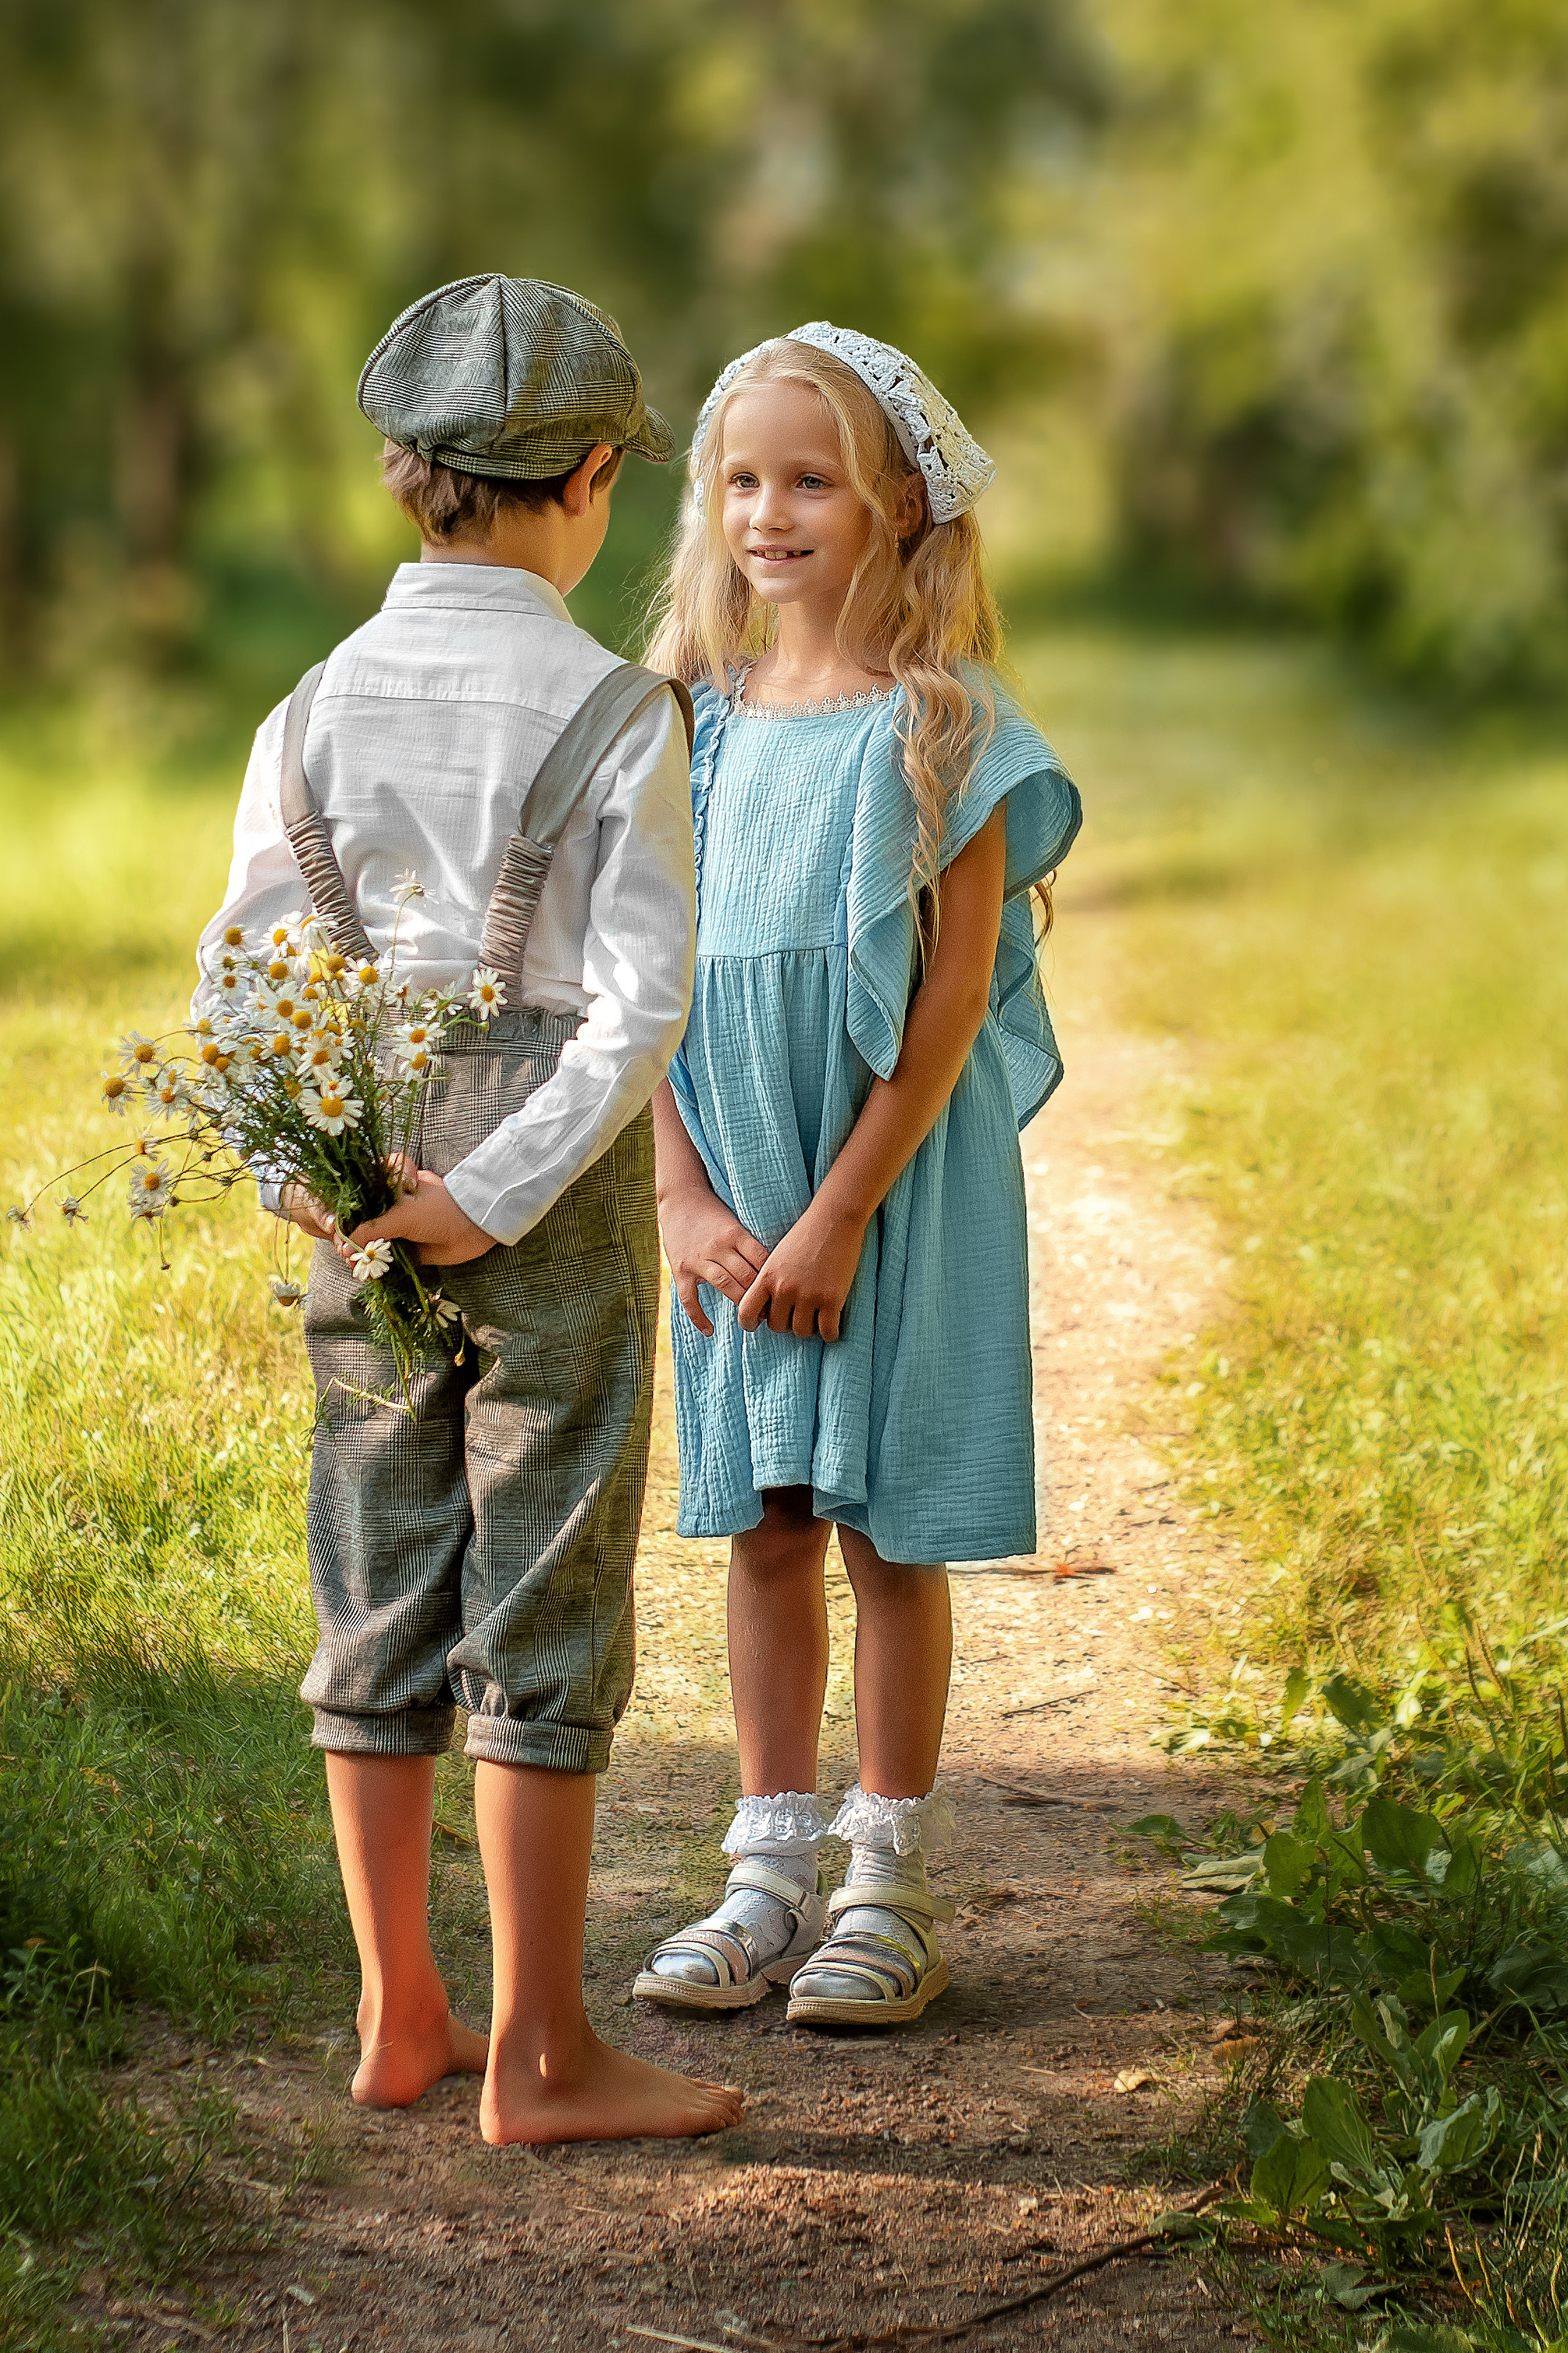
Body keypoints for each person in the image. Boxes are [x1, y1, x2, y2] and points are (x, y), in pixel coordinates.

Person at [194, 273, 743, 2142]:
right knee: (542, 1578)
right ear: (590, 478)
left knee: (376, 1557)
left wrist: (317, 1173)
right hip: (543, 1185)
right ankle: (541, 2051)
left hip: (357, 1165)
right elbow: (637, 999)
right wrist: (491, 1189)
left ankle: (394, 2011)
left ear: (398, 479)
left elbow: (245, 966)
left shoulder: (307, 704)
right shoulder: (616, 709)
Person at [633, 323, 1082, 2027]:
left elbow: (952, 999)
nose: (770, 511)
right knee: (760, 1520)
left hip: (881, 1186)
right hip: (732, 1177)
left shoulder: (947, 726)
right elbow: (645, 976)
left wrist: (837, 1213)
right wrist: (680, 1193)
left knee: (886, 1528)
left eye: (810, 477)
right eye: (741, 479)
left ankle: (885, 1880)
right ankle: (762, 1867)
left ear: (897, 500)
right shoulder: (684, 726)